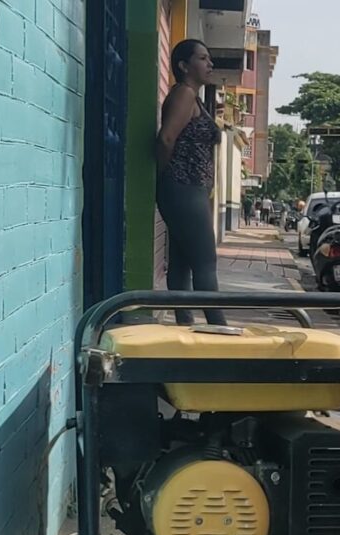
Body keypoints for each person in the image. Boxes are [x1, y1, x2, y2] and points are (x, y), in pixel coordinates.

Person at [156, 39, 226, 326]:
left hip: (190, 189)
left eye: (209, 59)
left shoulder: (194, 97)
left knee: (183, 263)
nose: (209, 64)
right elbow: (166, 138)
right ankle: (219, 329)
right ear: (184, 66)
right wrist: (163, 177)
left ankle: (185, 326)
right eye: (202, 58)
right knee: (205, 263)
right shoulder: (184, 94)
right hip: (184, 188)